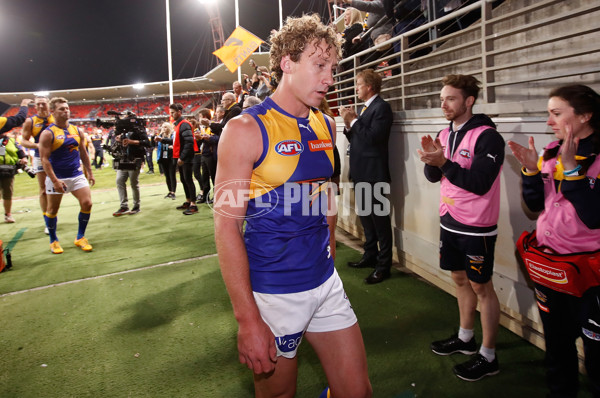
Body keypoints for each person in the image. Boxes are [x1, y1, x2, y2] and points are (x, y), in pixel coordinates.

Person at [214, 14, 372, 398]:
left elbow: (327, 188)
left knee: (358, 392)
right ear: (287, 63)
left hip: (324, 282)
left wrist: (330, 243)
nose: (329, 78)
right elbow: (226, 228)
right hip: (274, 294)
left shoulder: (325, 124)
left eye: (332, 68)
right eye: (320, 66)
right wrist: (248, 319)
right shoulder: (244, 130)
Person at [508, 84, 600, 397]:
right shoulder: (550, 153)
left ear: (585, 116)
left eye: (556, 113)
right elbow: (535, 207)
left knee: (598, 361)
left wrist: (573, 169)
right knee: (558, 351)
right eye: (549, 114)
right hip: (552, 272)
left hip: (591, 279)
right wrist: (532, 172)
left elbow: (594, 215)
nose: (549, 121)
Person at [417, 74, 504, 381]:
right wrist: (432, 160)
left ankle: (489, 355)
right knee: (458, 278)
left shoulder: (487, 136)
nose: (444, 104)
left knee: (482, 286)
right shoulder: (445, 131)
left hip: (477, 225)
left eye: (451, 98)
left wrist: (443, 164)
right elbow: (434, 176)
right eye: (442, 98)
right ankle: (466, 338)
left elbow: (480, 183)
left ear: (468, 101)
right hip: (449, 219)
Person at [340, 69, 394, 284]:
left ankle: (384, 265)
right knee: (366, 218)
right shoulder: (365, 109)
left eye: (359, 84)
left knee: (380, 221)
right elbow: (359, 138)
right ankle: (370, 255)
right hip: (362, 172)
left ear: (369, 86)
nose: (356, 88)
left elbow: (373, 138)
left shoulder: (382, 108)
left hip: (375, 174)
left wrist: (353, 121)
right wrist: (349, 125)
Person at [38, 97, 95, 254]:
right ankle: (53, 240)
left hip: (76, 174)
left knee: (87, 203)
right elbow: (44, 160)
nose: (66, 111)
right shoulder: (48, 134)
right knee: (52, 210)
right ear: (53, 112)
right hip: (57, 177)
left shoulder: (77, 130)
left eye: (67, 108)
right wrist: (55, 181)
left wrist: (89, 172)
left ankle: (80, 237)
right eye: (62, 109)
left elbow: (83, 152)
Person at [20, 96, 54, 233]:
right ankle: (48, 221)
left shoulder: (55, 117)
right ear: (35, 106)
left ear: (48, 104)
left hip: (58, 156)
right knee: (43, 189)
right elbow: (23, 140)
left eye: (43, 103)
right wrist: (37, 145)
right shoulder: (31, 121)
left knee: (62, 186)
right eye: (38, 104)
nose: (41, 106)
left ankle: (53, 214)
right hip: (40, 157)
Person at [111, 116, 151, 216]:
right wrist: (120, 140)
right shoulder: (123, 131)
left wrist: (131, 142)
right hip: (123, 159)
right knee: (119, 181)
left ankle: (136, 206)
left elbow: (147, 143)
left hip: (135, 159)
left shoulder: (139, 129)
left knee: (133, 183)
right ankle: (124, 206)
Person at [164, 103, 198, 215]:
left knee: (188, 180)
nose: (171, 115)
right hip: (182, 157)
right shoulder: (179, 125)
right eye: (171, 113)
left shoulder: (184, 124)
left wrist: (182, 157)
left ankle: (193, 204)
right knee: (184, 180)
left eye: (173, 112)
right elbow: (177, 141)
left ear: (179, 112)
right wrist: (162, 140)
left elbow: (189, 142)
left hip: (186, 158)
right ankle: (189, 201)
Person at [0, 130, 29, 223]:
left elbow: (20, 151)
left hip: (8, 171)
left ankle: (8, 215)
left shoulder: (11, 141)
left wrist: (24, 158)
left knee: (8, 193)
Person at [156, 122, 177, 200]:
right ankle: (170, 191)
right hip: (163, 158)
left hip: (171, 157)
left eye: (165, 127)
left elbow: (173, 142)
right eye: (162, 127)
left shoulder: (172, 135)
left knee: (172, 175)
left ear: (168, 127)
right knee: (167, 175)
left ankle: (173, 192)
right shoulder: (160, 136)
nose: (164, 128)